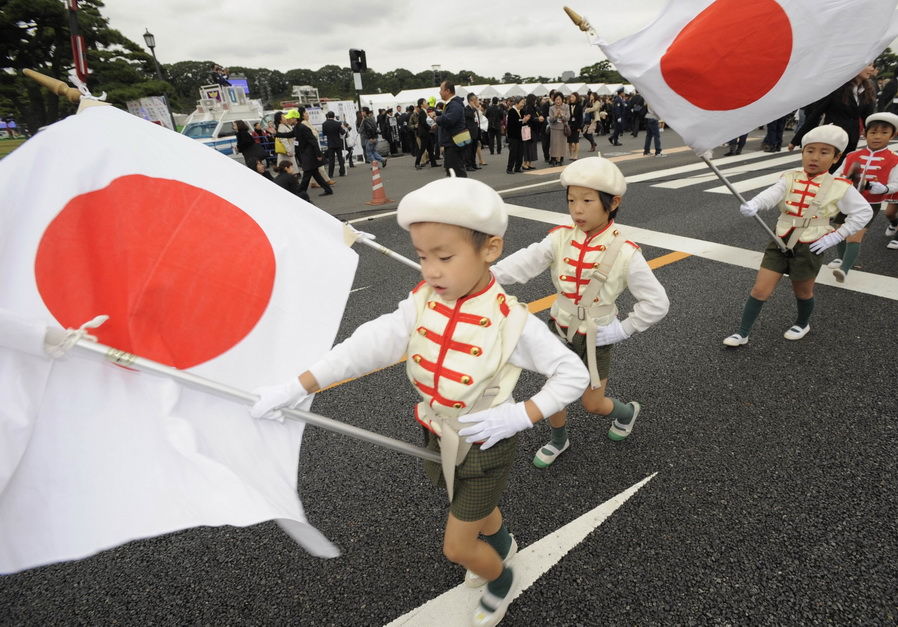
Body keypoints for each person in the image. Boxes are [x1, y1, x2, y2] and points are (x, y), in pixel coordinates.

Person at [250, 177, 589, 627]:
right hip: (434, 431)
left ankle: (500, 577)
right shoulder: (421, 302)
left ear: (490, 249)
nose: (430, 270)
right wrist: (297, 386)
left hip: (486, 444)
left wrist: (520, 415)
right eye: (422, 256)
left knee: (457, 545)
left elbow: (574, 374)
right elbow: (363, 346)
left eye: (444, 257)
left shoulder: (512, 321)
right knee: (470, 504)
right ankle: (504, 542)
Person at [491, 157, 669, 467]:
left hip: (595, 338)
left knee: (593, 403)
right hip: (557, 330)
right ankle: (559, 440)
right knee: (552, 390)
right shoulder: (560, 237)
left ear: (613, 203)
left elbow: (657, 303)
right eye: (572, 200)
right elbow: (526, 261)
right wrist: (485, 274)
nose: (577, 209)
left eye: (587, 200)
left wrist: (623, 329)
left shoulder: (626, 252)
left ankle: (628, 412)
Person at [724, 125, 873, 346]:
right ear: (802, 152)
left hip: (811, 244)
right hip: (780, 238)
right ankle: (742, 332)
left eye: (824, 152)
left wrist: (836, 236)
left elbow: (864, 212)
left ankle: (803, 323)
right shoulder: (789, 177)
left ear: (836, 158)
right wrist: (755, 203)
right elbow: (772, 194)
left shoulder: (840, 186)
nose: (815, 157)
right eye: (809, 150)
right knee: (760, 289)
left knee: (803, 291)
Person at [827, 112, 898, 280]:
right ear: (865, 134)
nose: (877, 136)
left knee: (855, 234)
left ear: (892, 135)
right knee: (839, 230)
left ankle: (844, 269)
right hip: (845, 201)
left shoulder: (894, 159)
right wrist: (841, 180)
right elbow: (836, 174)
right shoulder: (852, 156)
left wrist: (883, 188)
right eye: (873, 132)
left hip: (869, 204)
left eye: (883, 132)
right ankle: (842, 257)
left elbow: (896, 184)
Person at [788, 63, 878, 172]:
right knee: (825, 171)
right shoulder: (836, 87)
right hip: (831, 138)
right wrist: (796, 139)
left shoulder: (867, 90)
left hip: (852, 139)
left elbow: (867, 119)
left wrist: (875, 136)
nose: (872, 69)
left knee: (840, 173)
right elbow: (816, 114)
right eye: (868, 65)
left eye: (873, 66)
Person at [293, 107, 333, 197]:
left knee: (310, 173)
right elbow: (313, 139)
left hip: (310, 153)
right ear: (301, 115)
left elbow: (313, 139)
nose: (308, 114)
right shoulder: (302, 125)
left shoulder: (303, 125)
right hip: (309, 153)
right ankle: (327, 189)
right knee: (314, 173)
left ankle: (300, 192)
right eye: (306, 113)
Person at [435, 81, 468, 178]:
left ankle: (462, 192)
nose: (439, 92)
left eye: (441, 89)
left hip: (454, 144)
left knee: (456, 173)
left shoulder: (454, 104)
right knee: (452, 172)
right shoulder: (452, 104)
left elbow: (449, 120)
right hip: (452, 143)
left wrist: (436, 118)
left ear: (448, 91)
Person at [504, 96, 527, 174]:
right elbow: (513, 124)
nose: (523, 104)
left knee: (520, 152)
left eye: (523, 103)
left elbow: (522, 121)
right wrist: (523, 121)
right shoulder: (511, 111)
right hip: (513, 135)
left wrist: (525, 120)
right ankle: (509, 168)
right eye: (522, 103)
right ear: (517, 103)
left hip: (521, 135)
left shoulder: (522, 111)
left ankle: (518, 167)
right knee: (513, 152)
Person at [321, 112, 346, 179]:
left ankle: (330, 174)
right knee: (340, 158)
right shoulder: (338, 123)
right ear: (334, 116)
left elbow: (324, 133)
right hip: (338, 143)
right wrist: (343, 128)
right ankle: (342, 172)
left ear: (328, 116)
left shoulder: (324, 124)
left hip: (330, 143)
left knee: (331, 159)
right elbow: (342, 132)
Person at [547, 93, 568, 166]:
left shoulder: (566, 107)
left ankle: (561, 159)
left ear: (562, 100)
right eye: (556, 99)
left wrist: (562, 115)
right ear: (554, 100)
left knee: (562, 144)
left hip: (563, 128)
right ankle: (553, 159)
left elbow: (567, 118)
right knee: (554, 144)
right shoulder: (551, 108)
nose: (558, 101)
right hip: (554, 128)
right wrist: (555, 116)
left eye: (559, 99)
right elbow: (551, 120)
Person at [464, 93, 483, 171]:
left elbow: (480, 116)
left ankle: (473, 164)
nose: (477, 101)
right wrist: (474, 107)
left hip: (476, 130)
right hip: (469, 132)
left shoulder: (475, 109)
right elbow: (471, 116)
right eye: (476, 99)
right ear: (471, 101)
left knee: (474, 148)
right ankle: (468, 165)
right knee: (469, 150)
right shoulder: (466, 109)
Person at [566, 93, 584, 161]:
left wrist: (580, 127)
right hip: (569, 126)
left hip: (577, 125)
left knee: (576, 141)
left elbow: (581, 118)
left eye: (573, 97)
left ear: (576, 97)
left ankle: (576, 155)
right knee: (570, 141)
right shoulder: (568, 106)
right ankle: (571, 155)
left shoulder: (579, 106)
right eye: (570, 97)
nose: (571, 99)